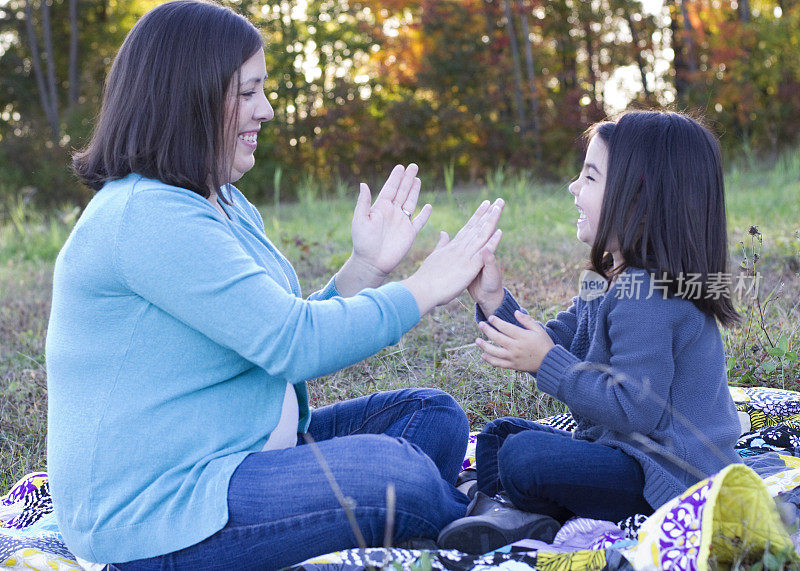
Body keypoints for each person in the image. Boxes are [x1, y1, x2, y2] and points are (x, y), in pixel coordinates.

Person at [45, 1, 504, 568]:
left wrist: (368, 267)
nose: (265, 108)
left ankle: (427, 509)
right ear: (187, 96)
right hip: (161, 509)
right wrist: (424, 287)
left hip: (238, 450)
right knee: (396, 474)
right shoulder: (145, 217)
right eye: (247, 91)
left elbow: (276, 334)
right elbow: (294, 342)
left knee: (431, 416)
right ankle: (479, 517)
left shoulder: (221, 202)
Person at [437, 110, 743, 553]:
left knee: (525, 458)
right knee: (500, 436)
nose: (573, 187)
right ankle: (516, 514)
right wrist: (492, 299)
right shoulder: (612, 280)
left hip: (670, 475)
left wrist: (547, 364)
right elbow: (557, 340)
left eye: (590, 178)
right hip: (625, 453)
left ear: (638, 200)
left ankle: (511, 513)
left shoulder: (650, 297)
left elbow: (636, 409)